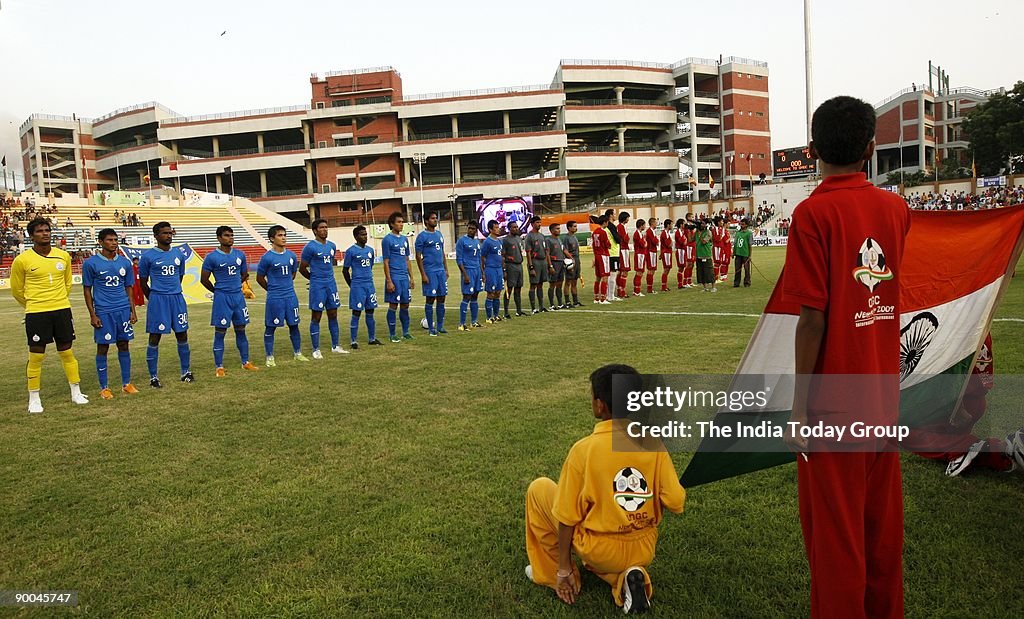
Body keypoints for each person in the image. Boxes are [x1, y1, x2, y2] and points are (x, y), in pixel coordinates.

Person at [781, 95, 911, 618]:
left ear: (812, 149)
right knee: (881, 537)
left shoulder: (812, 214)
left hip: (833, 411)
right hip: (882, 398)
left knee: (837, 542)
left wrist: (798, 407)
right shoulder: (895, 209)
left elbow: (812, 319)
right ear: (871, 148)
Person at [524, 364, 686, 613]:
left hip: (600, 549)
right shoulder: (654, 443)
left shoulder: (584, 450)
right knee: (611, 547)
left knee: (539, 489)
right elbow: (676, 501)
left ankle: (550, 574)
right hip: (643, 547)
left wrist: (564, 567)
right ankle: (626, 578)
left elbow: (566, 517)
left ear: (600, 405)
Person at [903, 334, 1024, 476]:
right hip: (973, 401)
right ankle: (1003, 451)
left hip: (956, 405)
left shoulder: (957, 325)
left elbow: (949, 371)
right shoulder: (979, 323)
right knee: (941, 435)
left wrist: (957, 407)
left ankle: (967, 448)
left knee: (894, 429)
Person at [11, 218, 90, 412]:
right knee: (36, 355)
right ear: (31, 236)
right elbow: (17, 290)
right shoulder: (22, 260)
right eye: (39, 231)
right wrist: (32, 304)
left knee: (67, 351)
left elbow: (67, 283)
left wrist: (59, 300)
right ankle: (34, 398)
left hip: (62, 309)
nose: (45, 233)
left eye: (47, 230)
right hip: (37, 312)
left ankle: (76, 392)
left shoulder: (63, 256)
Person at [82, 228, 139, 398]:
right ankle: (104, 387)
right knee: (103, 347)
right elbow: (87, 290)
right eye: (109, 240)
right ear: (100, 242)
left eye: (115, 240)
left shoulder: (124, 263)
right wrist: (93, 314)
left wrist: (132, 310)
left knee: (124, 344)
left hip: (122, 310)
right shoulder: (91, 263)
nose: (114, 243)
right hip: (104, 311)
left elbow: (129, 288)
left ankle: (126, 384)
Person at [138, 221, 194, 387]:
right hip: (158, 300)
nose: (168, 236)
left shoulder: (178, 254)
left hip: (177, 298)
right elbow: (143, 282)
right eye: (164, 233)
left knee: (182, 334)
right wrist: (154, 297)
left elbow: (180, 277)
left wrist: (172, 290)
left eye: (170, 233)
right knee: (155, 336)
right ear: (156, 236)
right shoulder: (148, 256)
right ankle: (153, 377)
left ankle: (186, 372)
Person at [201, 226, 260, 377]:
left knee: (241, 329)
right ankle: (219, 367)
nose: (230, 238)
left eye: (232, 235)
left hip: (238, 298)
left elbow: (244, 274)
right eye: (227, 236)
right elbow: (204, 279)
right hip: (222, 298)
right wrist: (217, 290)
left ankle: (245, 362)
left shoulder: (240, 254)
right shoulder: (211, 257)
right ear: (219, 238)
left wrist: (235, 286)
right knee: (220, 332)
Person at [256, 225, 310, 365]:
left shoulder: (291, 255)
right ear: (272, 239)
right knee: (270, 327)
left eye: (284, 235)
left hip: (291, 296)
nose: (284, 237)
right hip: (275, 298)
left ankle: (297, 353)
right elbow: (259, 278)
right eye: (280, 235)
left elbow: (293, 274)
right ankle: (270, 357)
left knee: (294, 325)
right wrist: (272, 289)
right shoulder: (267, 257)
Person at [300, 218, 349, 356]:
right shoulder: (310, 247)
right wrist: (314, 279)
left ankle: (336, 346)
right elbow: (302, 268)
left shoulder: (332, 246)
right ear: (315, 231)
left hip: (331, 284)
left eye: (326, 227)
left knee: (333, 314)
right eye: (321, 227)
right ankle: (316, 349)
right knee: (316, 316)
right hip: (318, 286)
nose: (324, 230)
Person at [343, 225, 383, 347]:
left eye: (365, 234)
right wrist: (352, 285)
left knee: (370, 311)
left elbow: (370, 266)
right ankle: (353, 341)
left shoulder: (370, 250)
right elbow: (345, 270)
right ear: (356, 237)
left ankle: (372, 339)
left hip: (369, 285)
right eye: (362, 234)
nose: (365, 236)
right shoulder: (351, 251)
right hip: (357, 286)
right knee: (357, 312)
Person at [380, 212, 415, 343]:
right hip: (394, 277)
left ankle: (406, 332)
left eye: (402, 222)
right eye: (399, 222)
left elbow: (407, 260)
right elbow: (386, 262)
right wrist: (389, 280)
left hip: (404, 278)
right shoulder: (387, 240)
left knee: (405, 305)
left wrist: (411, 278)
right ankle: (392, 334)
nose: (401, 224)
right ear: (392, 224)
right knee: (393, 305)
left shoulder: (404, 239)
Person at [415, 212, 449, 335]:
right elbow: (418, 256)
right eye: (432, 218)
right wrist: (423, 274)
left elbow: (442, 253)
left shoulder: (439, 234)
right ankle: (431, 328)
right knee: (430, 299)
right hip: (430, 272)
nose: (435, 220)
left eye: (436, 218)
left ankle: (440, 326)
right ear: (426, 221)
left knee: (442, 298)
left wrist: (446, 269)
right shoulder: (422, 237)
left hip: (440, 271)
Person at [455, 221, 484, 330]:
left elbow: (479, 258)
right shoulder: (462, 241)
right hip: (468, 271)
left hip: (477, 271)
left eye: (473, 229)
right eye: (469, 228)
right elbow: (459, 259)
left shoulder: (477, 242)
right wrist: (465, 274)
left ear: (476, 230)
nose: (471, 230)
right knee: (467, 296)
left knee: (475, 295)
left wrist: (482, 273)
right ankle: (461, 324)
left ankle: (474, 321)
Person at [525, 215, 551, 313]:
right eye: (537, 222)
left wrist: (549, 265)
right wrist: (531, 267)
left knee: (540, 284)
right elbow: (528, 252)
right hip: (535, 262)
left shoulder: (542, 236)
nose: (539, 224)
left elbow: (546, 251)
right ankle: (533, 308)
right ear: (532, 224)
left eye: (540, 222)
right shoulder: (529, 236)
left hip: (542, 261)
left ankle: (541, 306)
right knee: (533, 284)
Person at [502, 221, 527, 318]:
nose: (516, 228)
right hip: (510, 266)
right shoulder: (506, 240)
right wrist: (504, 269)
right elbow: (503, 255)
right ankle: (506, 312)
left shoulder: (519, 239)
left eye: (517, 227)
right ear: (509, 228)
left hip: (519, 265)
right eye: (514, 227)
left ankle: (519, 310)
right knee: (509, 288)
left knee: (518, 288)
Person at [481, 220, 505, 323]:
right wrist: (483, 272)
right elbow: (482, 257)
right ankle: (488, 317)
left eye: (498, 227)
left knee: (498, 292)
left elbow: (501, 255)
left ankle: (496, 315)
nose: (498, 229)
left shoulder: (499, 241)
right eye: (495, 227)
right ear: (490, 229)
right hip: (490, 269)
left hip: (499, 269)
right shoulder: (487, 242)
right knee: (491, 293)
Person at [561, 221, 583, 307]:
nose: (575, 228)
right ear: (569, 228)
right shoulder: (566, 238)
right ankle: (567, 302)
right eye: (574, 226)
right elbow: (565, 250)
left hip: (577, 260)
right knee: (568, 281)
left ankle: (575, 301)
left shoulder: (574, 237)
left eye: (576, 226)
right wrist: (571, 259)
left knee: (575, 281)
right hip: (570, 261)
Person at [546, 223, 567, 310]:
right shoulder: (548, 240)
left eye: (559, 228)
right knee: (552, 284)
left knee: (560, 284)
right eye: (557, 229)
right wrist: (550, 266)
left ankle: (560, 303)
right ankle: (551, 304)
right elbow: (547, 253)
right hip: (554, 264)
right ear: (551, 230)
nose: (559, 230)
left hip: (561, 263)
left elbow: (563, 250)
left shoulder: (559, 240)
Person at [591, 214, 611, 304]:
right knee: (605, 276)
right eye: (607, 222)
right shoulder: (603, 232)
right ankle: (603, 298)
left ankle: (596, 298)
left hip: (597, 255)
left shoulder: (595, 232)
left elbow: (593, 246)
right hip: (603, 255)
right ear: (605, 222)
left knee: (598, 277)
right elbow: (608, 245)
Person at [694, 220, 715, 292]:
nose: (701, 225)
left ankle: (713, 287)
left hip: (706, 254)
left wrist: (699, 235)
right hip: (699, 255)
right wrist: (689, 231)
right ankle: (705, 287)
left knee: (709, 271)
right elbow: (690, 240)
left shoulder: (708, 232)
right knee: (701, 271)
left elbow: (704, 242)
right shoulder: (697, 232)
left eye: (703, 224)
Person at [732, 218, 753, 288]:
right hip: (738, 254)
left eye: (743, 224)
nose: (741, 225)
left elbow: (750, 245)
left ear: (746, 225)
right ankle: (736, 283)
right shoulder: (737, 233)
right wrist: (733, 252)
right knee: (737, 270)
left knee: (747, 270)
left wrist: (750, 255)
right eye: (741, 224)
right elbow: (735, 244)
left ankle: (747, 282)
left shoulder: (749, 233)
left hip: (745, 254)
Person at [615, 212, 631, 299]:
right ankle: (621, 290)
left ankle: (620, 290)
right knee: (624, 270)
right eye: (628, 218)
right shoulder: (621, 226)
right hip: (623, 250)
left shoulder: (621, 226)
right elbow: (626, 239)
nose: (628, 219)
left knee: (622, 271)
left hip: (624, 249)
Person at [631, 219, 648, 297]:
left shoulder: (640, 233)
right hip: (639, 254)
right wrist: (645, 241)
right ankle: (637, 291)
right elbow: (643, 244)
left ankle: (636, 290)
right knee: (639, 272)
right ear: (641, 225)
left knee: (640, 272)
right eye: (644, 225)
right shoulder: (637, 234)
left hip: (641, 254)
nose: (645, 226)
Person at [644, 220, 658, 294]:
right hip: (650, 251)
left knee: (652, 269)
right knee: (650, 269)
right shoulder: (649, 231)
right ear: (652, 223)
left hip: (653, 251)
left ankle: (650, 287)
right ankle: (649, 288)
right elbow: (655, 241)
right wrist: (657, 240)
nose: (657, 224)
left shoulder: (652, 231)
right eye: (655, 223)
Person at [658, 219, 673, 292]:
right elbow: (669, 245)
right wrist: (671, 243)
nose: (672, 226)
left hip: (667, 252)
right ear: (668, 225)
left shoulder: (666, 233)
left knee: (668, 268)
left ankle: (664, 286)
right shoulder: (664, 233)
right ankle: (663, 286)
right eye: (671, 224)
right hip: (666, 252)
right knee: (666, 268)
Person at [673, 219, 687, 289]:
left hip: (683, 250)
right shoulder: (678, 232)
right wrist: (685, 239)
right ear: (681, 225)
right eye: (684, 224)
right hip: (680, 250)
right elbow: (682, 242)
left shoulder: (682, 232)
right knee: (681, 267)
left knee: (683, 266)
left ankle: (681, 283)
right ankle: (680, 284)